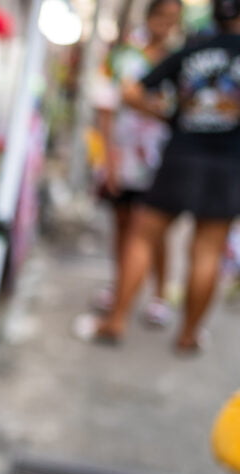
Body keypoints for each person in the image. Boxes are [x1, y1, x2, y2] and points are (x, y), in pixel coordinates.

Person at [91, 0, 240, 353]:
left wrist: (171, 118)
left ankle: (116, 320)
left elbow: (131, 91)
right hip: (229, 163)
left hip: (181, 155)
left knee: (143, 237)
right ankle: (188, 335)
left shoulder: (193, 50)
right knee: (207, 251)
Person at [90, 0, 182, 327]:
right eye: (162, 16)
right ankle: (122, 285)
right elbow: (106, 107)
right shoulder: (123, 57)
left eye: (173, 19)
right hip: (125, 155)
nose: (165, 24)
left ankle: (158, 294)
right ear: (150, 16)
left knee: (153, 229)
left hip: (162, 158)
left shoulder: (180, 59)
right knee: (124, 222)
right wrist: (108, 158)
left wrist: (142, 105)